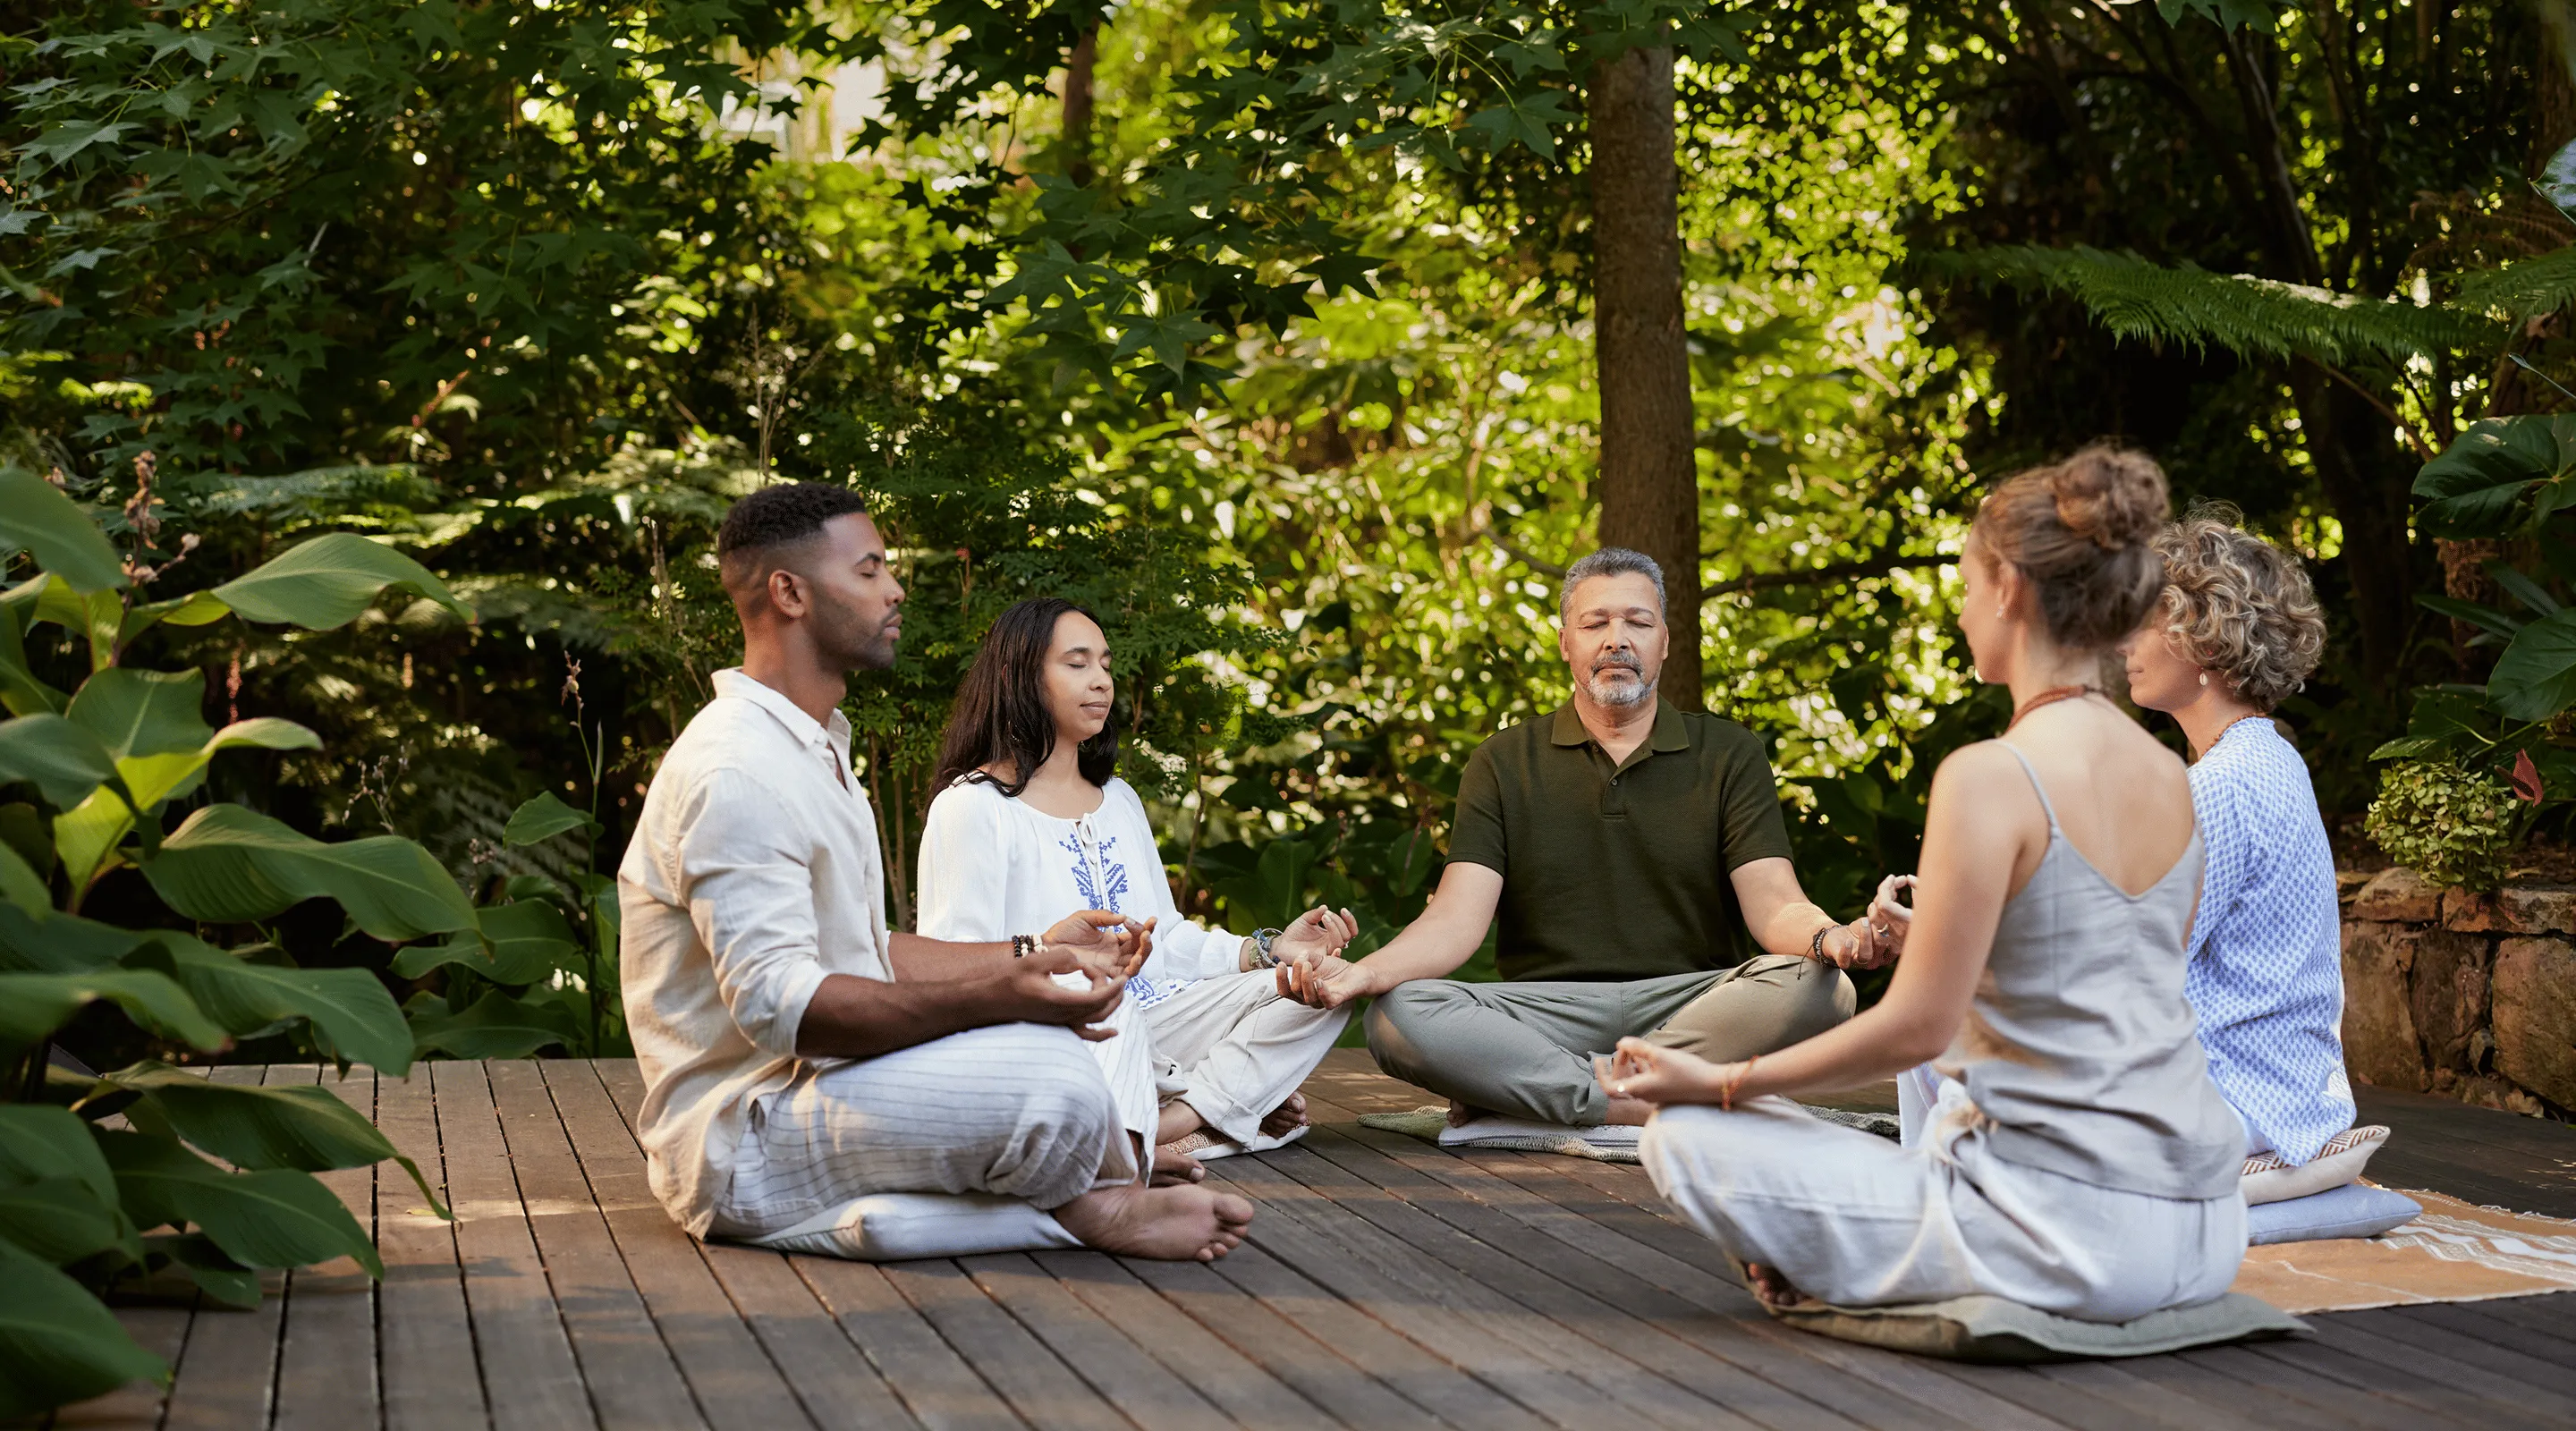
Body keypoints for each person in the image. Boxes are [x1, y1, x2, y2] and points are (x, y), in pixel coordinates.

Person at [1600, 446, 2247, 1321]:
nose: (1962, 606)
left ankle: (1845, 1264)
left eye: (1968, 582)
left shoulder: (1991, 773)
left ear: (2011, 587)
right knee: (1790, 1127)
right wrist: (1961, 949)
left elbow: (1915, 1029)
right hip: (2205, 1234)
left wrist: (1717, 1081)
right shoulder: (2171, 773)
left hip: (2063, 1238)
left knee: (1686, 1133)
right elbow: (2113, 981)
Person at [619, 482, 1253, 1261]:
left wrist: (1035, 958)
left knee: (1094, 1008)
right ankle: (1095, 1209)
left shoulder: (814, 748)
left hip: (829, 1087)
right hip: (747, 1131)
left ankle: (1060, 1193)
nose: (895, 589)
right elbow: (783, 1010)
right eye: (869, 570)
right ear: (789, 592)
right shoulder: (737, 770)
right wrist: (995, 996)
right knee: (1056, 1082)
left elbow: (867, 948)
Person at [1278, 546, 1894, 1133]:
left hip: (1692, 1004)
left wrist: (1830, 936)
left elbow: (1775, 904)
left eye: (1638, 622)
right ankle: (1640, 1096)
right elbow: (1455, 924)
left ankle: (1555, 1095)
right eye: (1595, 622)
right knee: (1397, 1015)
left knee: (1821, 987)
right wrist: (1365, 973)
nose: (1616, 639)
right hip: (1543, 1015)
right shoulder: (1503, 761)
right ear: (1566, 643)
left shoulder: (1728, 754)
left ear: (1665, 643)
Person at [917, 597, 1356, 1171]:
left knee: (1326, 985)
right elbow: (953, 965)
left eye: (1105, 664)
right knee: (1118, 1030)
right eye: (1077, 664)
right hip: (1065, 1032)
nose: (1100, 681)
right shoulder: (972, 808)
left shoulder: (1118, 799)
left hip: (1163, 1023)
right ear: (1016, 675)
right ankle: (1224, 1108)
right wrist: (1051, 952)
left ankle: (1179, 1117)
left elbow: (1165, 937)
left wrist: (1270, 949)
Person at [2122, 509, 2356, 1172]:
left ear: (2204, 638)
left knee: (1958, 1039)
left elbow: (2140, 965)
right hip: (2292, 1097)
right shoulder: (2272, 758)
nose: (2123, 645)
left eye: (2143, 621)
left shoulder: (2221, 785)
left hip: (2237, 1102)